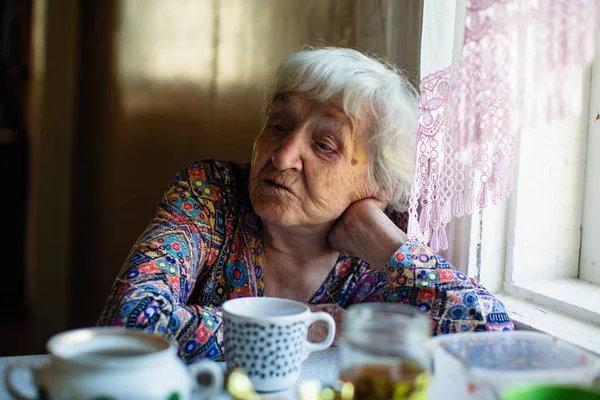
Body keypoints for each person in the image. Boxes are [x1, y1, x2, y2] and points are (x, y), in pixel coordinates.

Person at [98, 47, 513, 363]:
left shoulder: (386, 260)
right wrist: (306, 328)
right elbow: (128, 323)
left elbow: (489, 333)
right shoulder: (211, 194)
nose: (281, 156)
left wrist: (380, 240)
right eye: (278, 127)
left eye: (324, 145)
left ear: (378, 184)